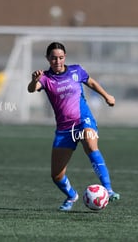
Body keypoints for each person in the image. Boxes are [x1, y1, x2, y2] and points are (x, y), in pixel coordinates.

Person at [27, 42, 120, 211]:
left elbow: (91, 82)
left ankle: (108, 188)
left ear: (65, 57)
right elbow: (32, 89)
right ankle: (72, 195)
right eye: (54, 58)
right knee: (56, 175)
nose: (58, 61)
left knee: (91, 145)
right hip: (64, 130)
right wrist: (34, 81)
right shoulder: (45, 78)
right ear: (48, 59)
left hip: (83, 121)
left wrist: (107, 96)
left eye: (61, 57)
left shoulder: (76, 71)